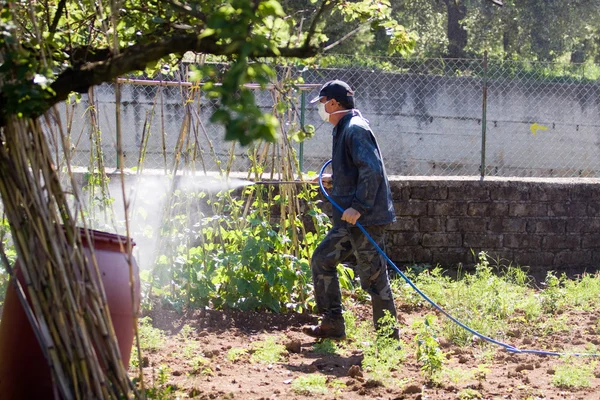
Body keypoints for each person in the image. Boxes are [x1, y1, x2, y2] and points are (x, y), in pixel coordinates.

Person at [303, 80, 399, 340]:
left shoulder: (355, 129)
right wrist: (332, 179)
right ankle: (332, 325)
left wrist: (358, 206)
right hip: (352, 221)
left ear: (333, 103)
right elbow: (355, 169)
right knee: (323, 259)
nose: (321, 109)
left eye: (322, 103)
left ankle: (388, 339)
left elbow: (372, 169)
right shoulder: (344, 128)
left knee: (374, 277)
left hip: (365, 219)